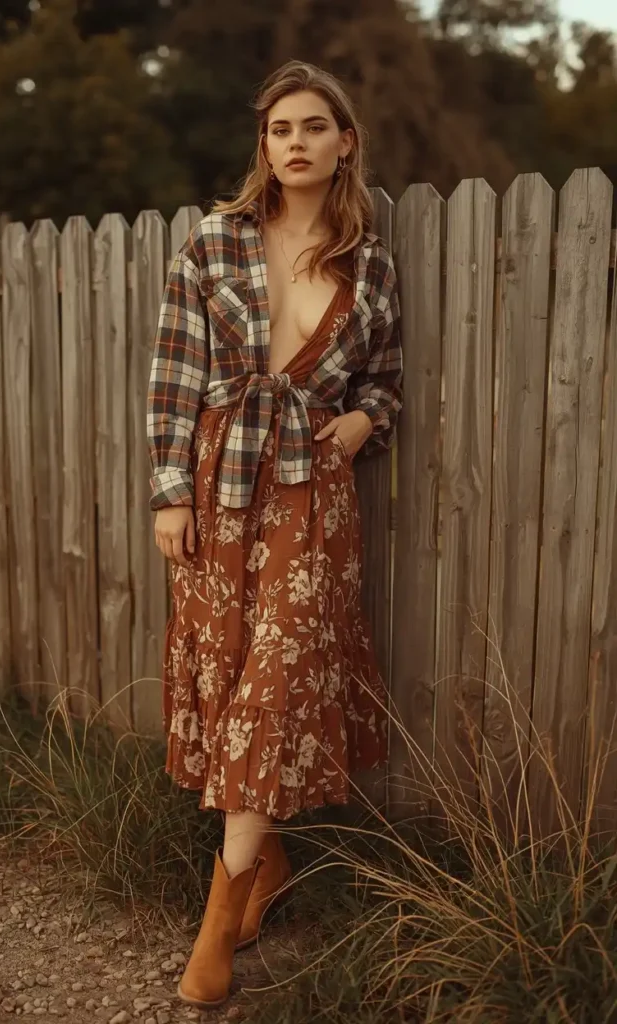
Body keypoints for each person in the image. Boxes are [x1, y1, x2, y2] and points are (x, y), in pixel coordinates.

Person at [146, 59, 403, 1009]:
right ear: (265, 145)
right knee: (230, 670)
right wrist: (171, 495)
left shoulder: (368, 261)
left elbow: (384, 378)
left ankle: (217, 921)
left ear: (344, 144)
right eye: (278, 129)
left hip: (312, 494)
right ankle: (268, 860)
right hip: (220, 484)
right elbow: (173, 375)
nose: (293, 143)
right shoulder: (213, 243)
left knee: (278, 675)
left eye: (312, 128)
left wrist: (363, 422)